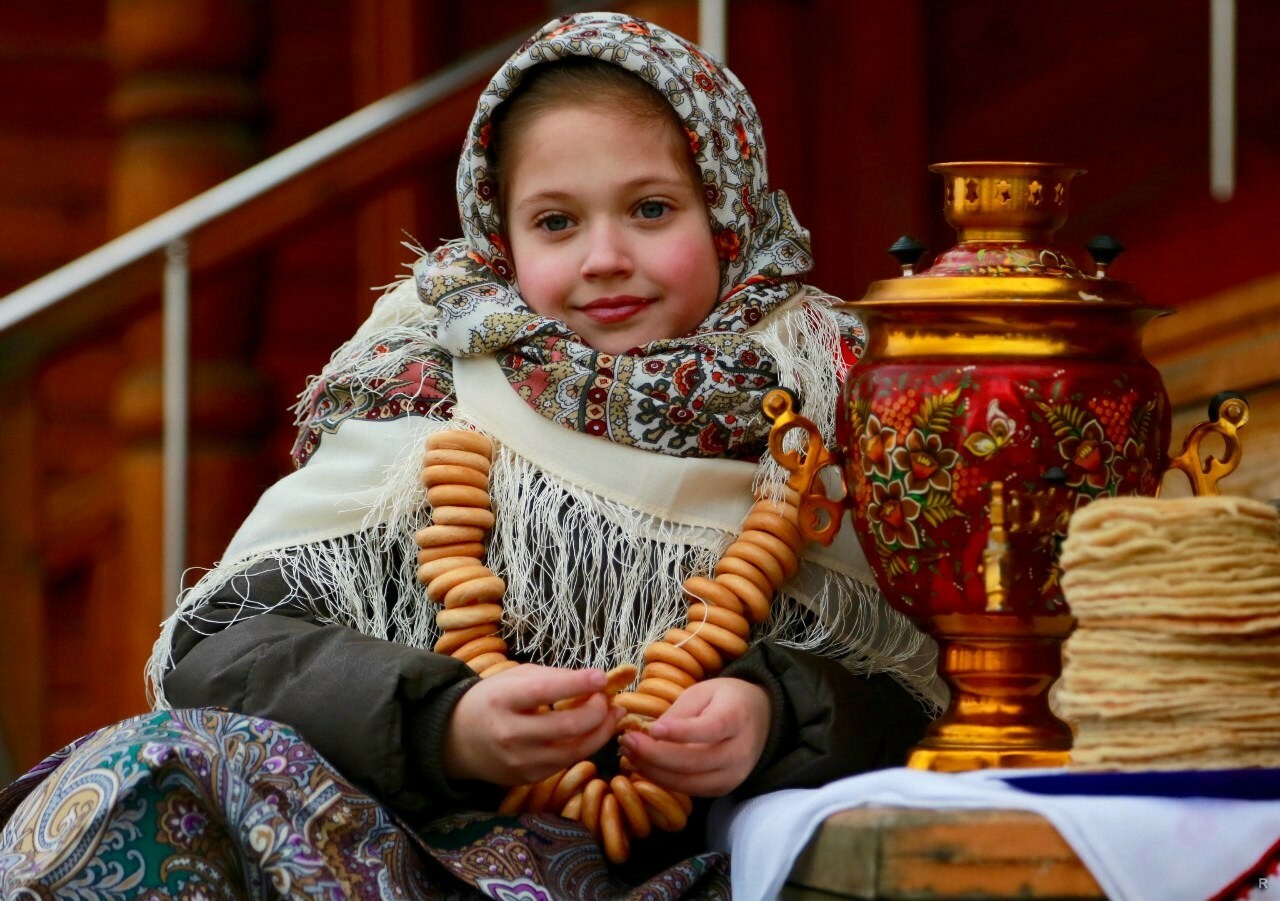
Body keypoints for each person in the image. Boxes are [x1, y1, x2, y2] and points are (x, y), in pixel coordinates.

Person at [0, 11, 939, 898]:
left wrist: (777, 717)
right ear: (500, 236)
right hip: (403, 861)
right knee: (151, 768)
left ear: (731, 216)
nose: (604, 255)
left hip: (702, 870)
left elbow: (918, 685)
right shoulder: (430, 390)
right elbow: (226, 653)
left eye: (652, 209)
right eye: (557, 222)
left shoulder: (821, 409)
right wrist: (447, 723)